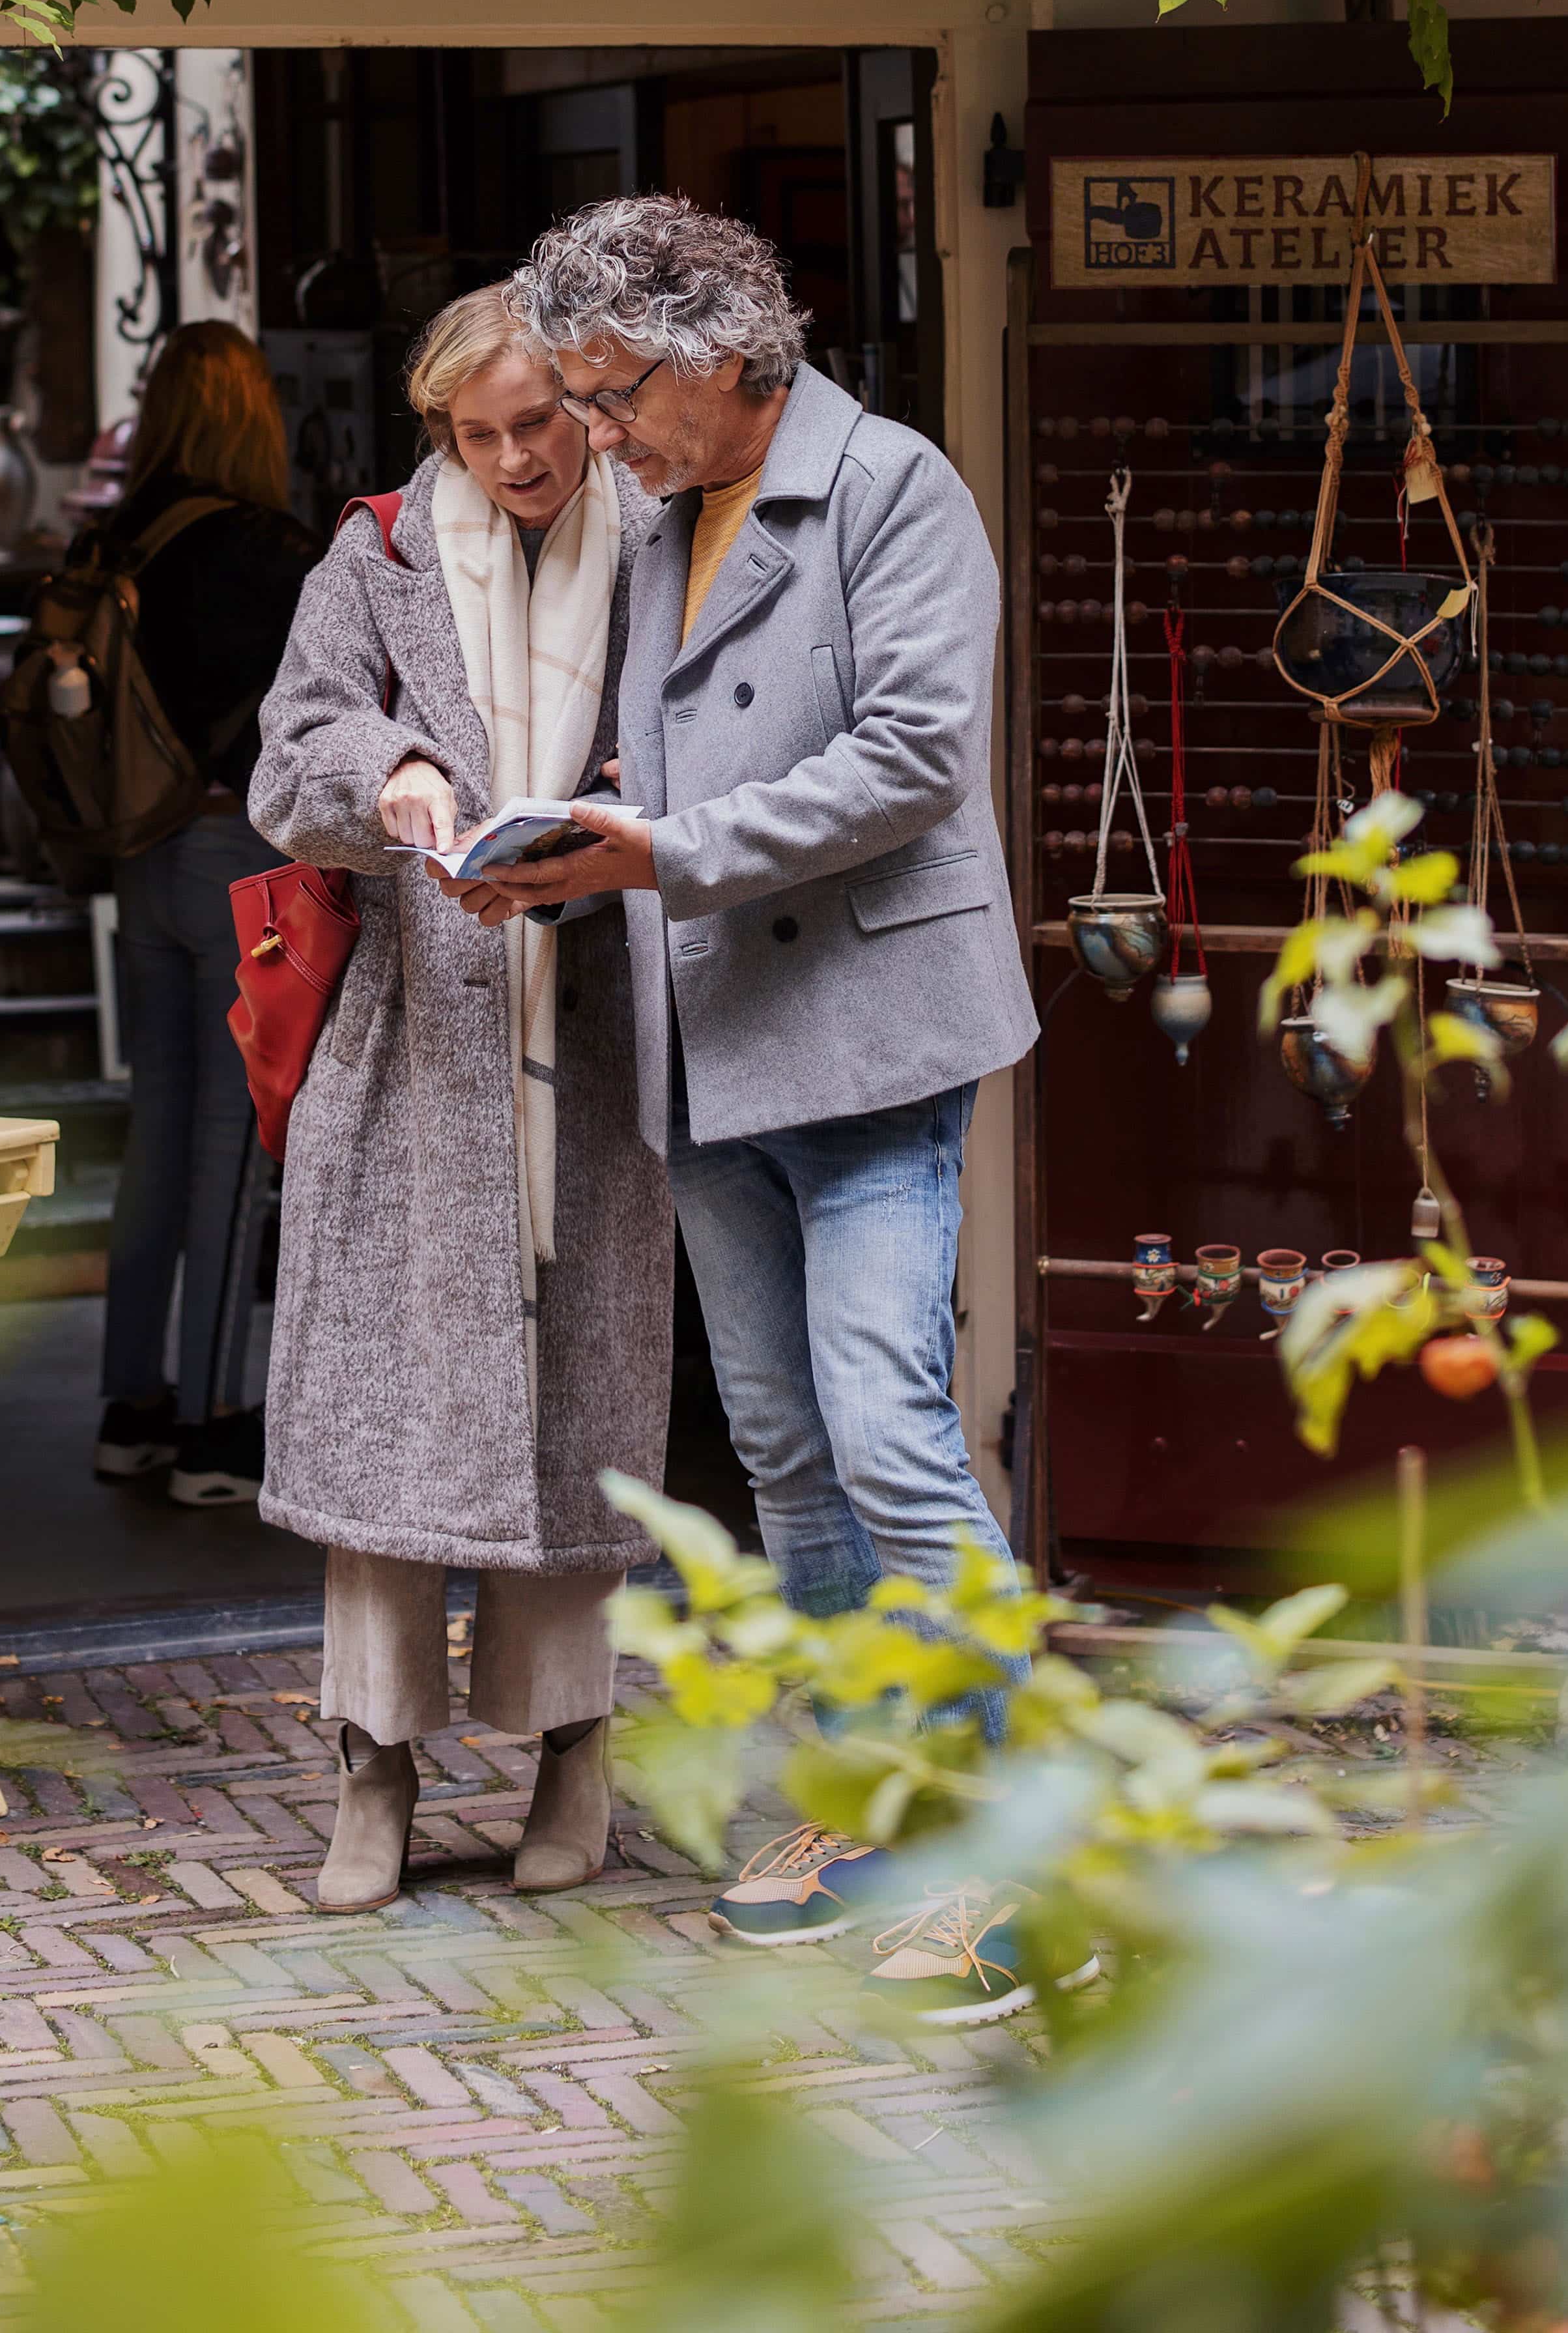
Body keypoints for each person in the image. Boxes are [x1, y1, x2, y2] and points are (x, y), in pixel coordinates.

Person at [489, 194, 1042, 2022]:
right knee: (789, 1457)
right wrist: (568, 844)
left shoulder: (893, 490)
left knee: (890, 1435)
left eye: (613, 395)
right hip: (710, 1036)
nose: (596, 435)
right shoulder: (662, 517)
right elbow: (685, 753)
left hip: (867, 1035)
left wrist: (663, 850)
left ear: (725, 354)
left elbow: (913, 756)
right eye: (579, 400)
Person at [248, 287, 669, 1910]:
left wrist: (622, 814)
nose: (513, 460)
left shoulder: (665, 543)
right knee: (386, 1410)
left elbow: (728, 738)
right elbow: (289, 753)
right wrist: (392, 772)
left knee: (576, 1404)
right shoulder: (376, 553)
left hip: (597, 1037)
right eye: (477, 435)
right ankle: (373, 1767)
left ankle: (573, 1752)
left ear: (586, 406)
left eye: (537, 424)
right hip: (412, 1047)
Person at [91, 320, 320, 1510]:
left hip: (143, 857)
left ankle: (130, 1407)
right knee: (233, 1148)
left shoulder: (117, 538)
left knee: (159, 1132)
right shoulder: (269, 550)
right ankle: (215, 1427)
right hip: (236, 855)